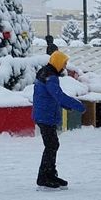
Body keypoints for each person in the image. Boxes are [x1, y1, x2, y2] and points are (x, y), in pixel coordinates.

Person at [31, 50, 84, 190]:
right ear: (58, 62)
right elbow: (58, 96)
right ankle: (43, 177)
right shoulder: (50, 76)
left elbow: (54, 96)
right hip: (45, 116)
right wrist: (78, 105)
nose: (65, 66)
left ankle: (50, 174)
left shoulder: (46, 73)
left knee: (53, 144)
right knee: (51, 145)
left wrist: (66, 105)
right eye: (64, 63)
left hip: (44, 115)